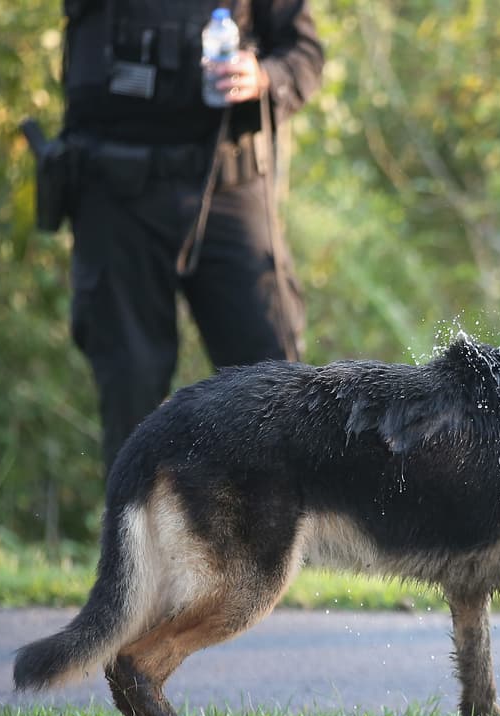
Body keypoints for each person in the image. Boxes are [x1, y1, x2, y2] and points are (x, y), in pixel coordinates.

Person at [57, 0, 324, 471]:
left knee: (275, 385)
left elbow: (303, 53)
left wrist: (262, 76)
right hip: (115, 197)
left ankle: (290, 542)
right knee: (130, 391)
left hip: (226, 185)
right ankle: (137, 543)